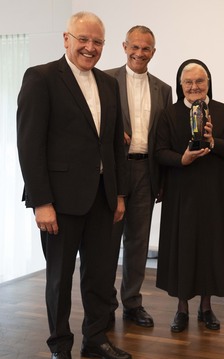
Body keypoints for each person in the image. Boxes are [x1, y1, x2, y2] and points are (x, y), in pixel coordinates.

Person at [16, 11, 132, 359]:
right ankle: (59, 347)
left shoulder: (109, 84)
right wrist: (42, 202)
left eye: (97, 42)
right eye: (83, 39)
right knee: (59, 279)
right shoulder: (41, 78)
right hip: (60, 202)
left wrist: (120, 195)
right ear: (66, 39)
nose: (90, 47)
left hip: (102, 198)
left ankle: (95, 338)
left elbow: (114, 146)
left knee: (100, 277)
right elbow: (29, 144)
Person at [155, 59, 224, 333]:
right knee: (182, 245)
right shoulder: (168, 114)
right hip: (181, 191)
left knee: (210, 246)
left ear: (208, 83)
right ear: (181, 86)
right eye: (188, 82)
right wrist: (181, 158)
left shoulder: (223, 111)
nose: (194, 87)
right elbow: (159, 152)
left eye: (200, 81)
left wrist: (214, 140)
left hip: (213, 191)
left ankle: (206, 307)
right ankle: (182, 309)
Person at [105, 25, 172, 328]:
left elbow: (165, 137)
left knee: (138, 242)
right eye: (135, 47)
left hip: (147, 171)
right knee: (107, 241)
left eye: (146, 48)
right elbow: (92, 121)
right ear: (124, 47)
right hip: (114, 171)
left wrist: (162, 180)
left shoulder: (164, 88)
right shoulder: (105, 79)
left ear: (153, 52)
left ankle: (132, 303)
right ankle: (104, 304)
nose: (139, 53)